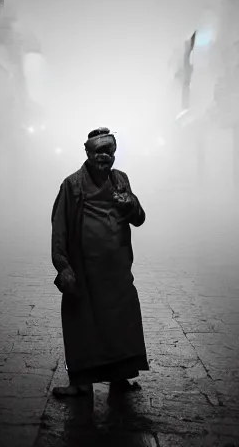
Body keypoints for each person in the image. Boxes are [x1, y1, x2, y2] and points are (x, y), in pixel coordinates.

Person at [51, 127, 149, 397]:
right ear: (87, 152)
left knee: (120, 321)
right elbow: (59, 227)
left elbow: (139, 218)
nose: (104, 156)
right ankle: (81, 382)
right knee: (82, 322)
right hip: (84, 271)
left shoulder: (121, 180)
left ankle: (120, 377)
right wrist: (63, 266)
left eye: (109, 151)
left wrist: (129, 203)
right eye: (99, 151)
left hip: (117, 271)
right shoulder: (72, 185)